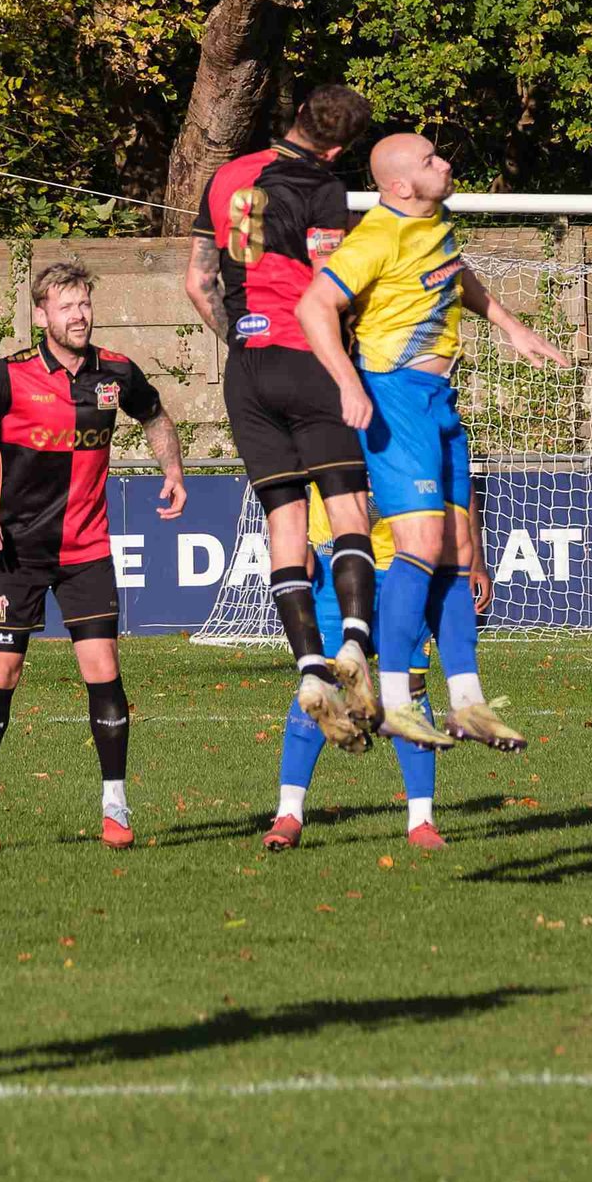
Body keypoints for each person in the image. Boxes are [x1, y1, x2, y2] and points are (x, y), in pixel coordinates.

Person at [185, 87, 448, 754]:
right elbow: (328, 287)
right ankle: (353, 645)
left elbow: (198, 282)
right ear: (337, 150)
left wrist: (244, 342)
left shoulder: (226, 174)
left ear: (298, 114)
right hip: (308, 361)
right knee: (349, 507)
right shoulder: (323, 186)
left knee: (285, 524)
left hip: (247, 369)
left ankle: (307, 666)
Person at [296, 132, 570, 751]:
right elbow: (314, 307)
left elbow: (454, 273)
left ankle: (468, 702)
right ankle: (395, 700)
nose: (444, 163)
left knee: (456, 551)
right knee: (419, 546)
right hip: (394, 397)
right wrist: (349, 383)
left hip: (439, 401)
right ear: (399, 185)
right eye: (429, 159)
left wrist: (510, 325)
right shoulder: (375, 237)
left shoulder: (436, 222)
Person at [0, 259, 187, 851]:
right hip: (16, 551)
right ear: (42, 316)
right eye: (66, 306)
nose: (79, 315)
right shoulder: (8, 376)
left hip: (86, 549)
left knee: (103, 667)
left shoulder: (115, 371)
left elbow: (155, 415)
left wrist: (172, 469)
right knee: (2, 673)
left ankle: (115, 806)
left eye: (84, 303)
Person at [264, 488, 493, 852]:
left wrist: (474, 557)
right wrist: (297, 542)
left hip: (408, 565)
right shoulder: (330, 441)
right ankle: (288, 813)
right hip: (333, 562)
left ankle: (421, 820)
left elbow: (457, 483)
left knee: (410, 684)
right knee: (321, 679)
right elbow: (288, 473)